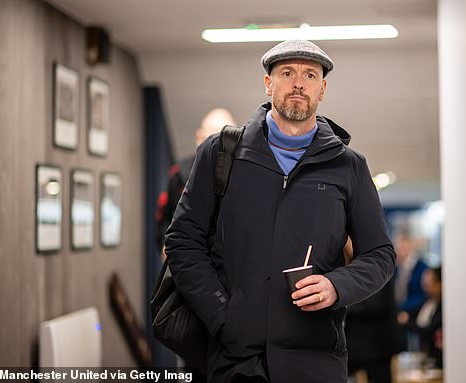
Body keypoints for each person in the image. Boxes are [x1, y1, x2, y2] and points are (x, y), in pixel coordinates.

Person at [164, 39, 396, 383]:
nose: (298, 83)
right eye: (287, 72)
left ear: (323, 89)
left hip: (316, 358)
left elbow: (380, 255)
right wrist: (221, 314)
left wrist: (337, 285)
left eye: (310, 74)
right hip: (234, 358)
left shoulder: (349, 167)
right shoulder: (221, 152)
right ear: (268, 83)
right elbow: (183, 242)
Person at [155, 108, 236, 254]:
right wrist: (165, 246)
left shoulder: (243, 173)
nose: (219, 145)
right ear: (200, 137)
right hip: (188, 257)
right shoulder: (180, 174)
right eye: (214, 137)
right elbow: (163, 218)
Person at [344, 238, 400, 383]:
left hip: (378, 345)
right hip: (360, 345)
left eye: (350, 239)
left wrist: (341, 304)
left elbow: (376, 304)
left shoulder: (375, 265)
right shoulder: (351, 265)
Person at [397, 267, 443, 368]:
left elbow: (429, 328)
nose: (424, 286)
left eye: (428, 284)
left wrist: (407, 321)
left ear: (440, 284)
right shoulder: (426, 301)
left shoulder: (444, 306)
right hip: (425, 355)